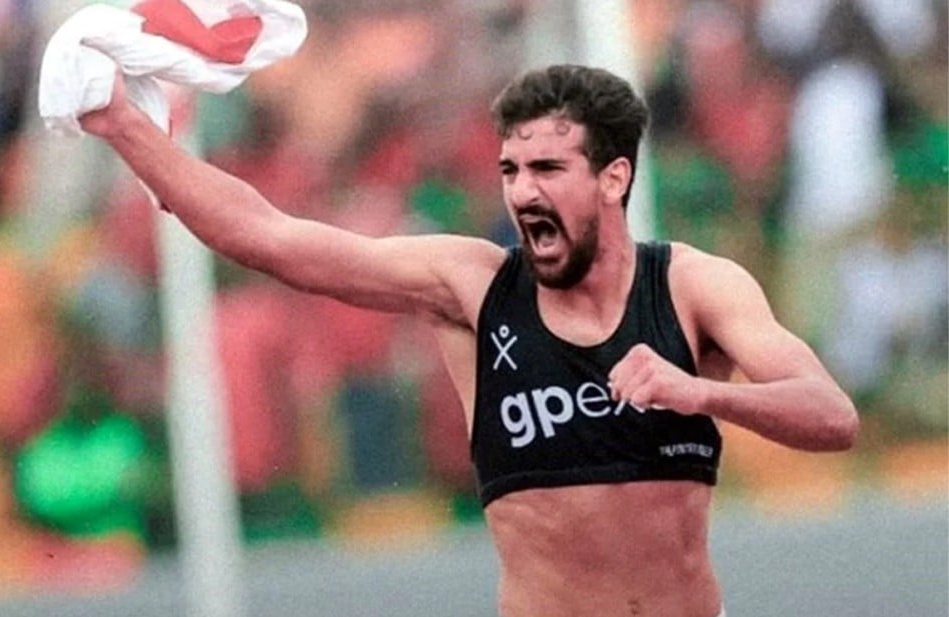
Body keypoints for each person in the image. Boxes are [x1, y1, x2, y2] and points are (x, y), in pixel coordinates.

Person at [78, 63, 859, 617]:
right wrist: (120, 123)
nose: (522, 192)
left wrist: (697, 391)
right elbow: (269, 238)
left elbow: (831, 415)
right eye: (510, 170)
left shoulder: (693, 287)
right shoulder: (471, 287)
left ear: (614, 178)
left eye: (547, 168)